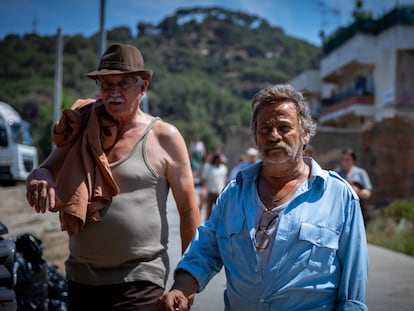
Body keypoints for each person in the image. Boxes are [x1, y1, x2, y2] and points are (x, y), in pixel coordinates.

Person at [157, 84, 369, 311]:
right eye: (265, 128)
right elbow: (205, 250)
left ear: (305, 134)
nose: (274, 135)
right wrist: (181, 288)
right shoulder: (233, 195)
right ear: (256, 137)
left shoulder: (338, 196)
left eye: (284, 127)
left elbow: (353, 294)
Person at [25, 43, 200, 310]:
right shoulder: (82, 126)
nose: (114, 92)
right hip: (81, 278)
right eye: (106, 84)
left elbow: (188, 211)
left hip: (140, 281)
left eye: (123, 84)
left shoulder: (165, 137)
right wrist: (40, 175)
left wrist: (185, 282)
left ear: (142, 87)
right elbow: (47, 168)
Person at [336, 148, 373, 225]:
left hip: (358, 207)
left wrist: (357, 191)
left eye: (348, 159)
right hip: (341, 208)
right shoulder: (337, 173)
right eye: (343, 159)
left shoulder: (360, 173)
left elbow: (368, 193)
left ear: (353, 160)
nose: (345, 162)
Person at [200, 152, 228, 221]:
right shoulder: (208, 167)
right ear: (216, 159)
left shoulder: (224, 168)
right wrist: (204, 189)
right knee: (208, 211)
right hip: (210, 192)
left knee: (220, 211)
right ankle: (207, 227)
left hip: (220, 192)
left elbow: (224, 180)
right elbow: (204, 180)